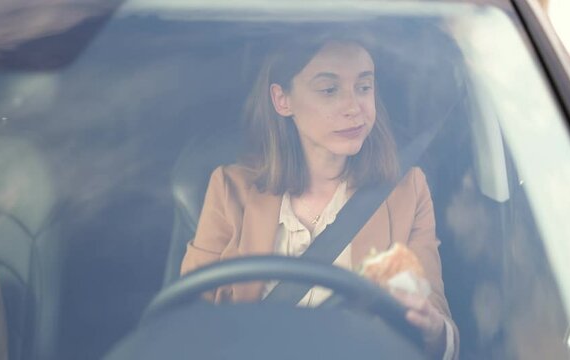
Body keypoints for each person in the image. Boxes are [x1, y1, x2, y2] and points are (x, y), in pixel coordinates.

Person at [180, 33, 459, 359]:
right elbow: (188, 319)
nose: (354, 107)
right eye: (329, 90)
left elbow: (436, 316)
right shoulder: (229, 189)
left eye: (364, 87)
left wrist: (433, 328)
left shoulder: (407, 191)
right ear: (283, 100)